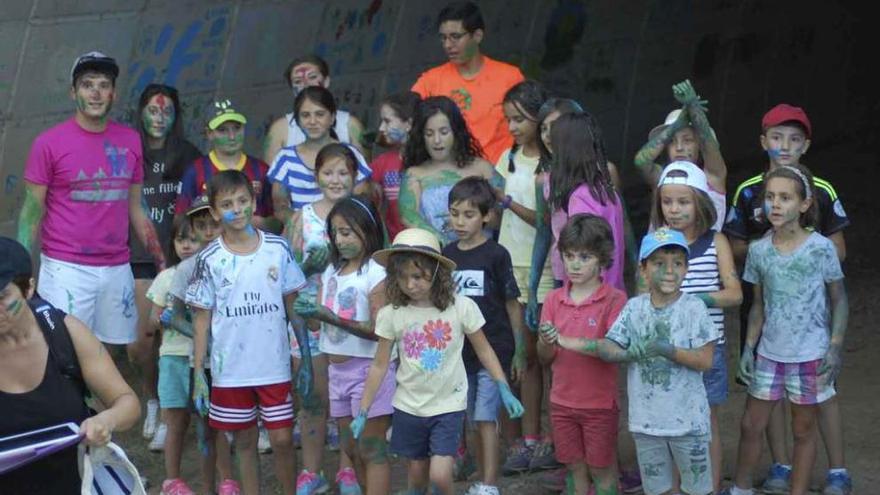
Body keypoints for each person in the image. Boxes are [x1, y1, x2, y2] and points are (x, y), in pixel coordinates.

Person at [722, 104, 851, 495]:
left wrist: (834, 346)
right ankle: (747, 484)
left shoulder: (820, 247)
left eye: (785, 198)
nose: (775, 205)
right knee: (751, 423)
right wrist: (747, 347)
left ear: (805, 203)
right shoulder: (759, 248)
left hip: (811, 349)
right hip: (770, 350)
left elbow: (839, 298)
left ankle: (821, 477)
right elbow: (757, 304)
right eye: (771, 198)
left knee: (803, 426)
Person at [350, 228, 524, 495]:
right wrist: (363, 410)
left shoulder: (461, 307)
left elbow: (485, 351)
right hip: (408, 407)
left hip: (448, 405)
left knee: (441, 476)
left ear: (437, 272)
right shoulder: (391, 314)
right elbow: (379, 365)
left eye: (418, 276)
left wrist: (503, 387)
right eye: (403, 277)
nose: (410, 285)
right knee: (417, 478)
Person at [551, 227, 718, 495]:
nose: (669, 271)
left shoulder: (694, 308)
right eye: (659, 263)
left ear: (687, 269)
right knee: (656, 489)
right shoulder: (634, 308)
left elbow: (705, 360)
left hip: (689, 422)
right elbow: (609, 347)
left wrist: (666, 349)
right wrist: (626, 352)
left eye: (677, 263)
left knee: (696, 490)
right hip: (646, 422)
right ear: (643, 270)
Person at [17, 51, 165, 347]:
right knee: (67, 351)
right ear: (74, 92)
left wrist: (162, 262)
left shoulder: (131, 140)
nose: (96, 93)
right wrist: (19, 273)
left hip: (116, 267)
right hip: (65, 268)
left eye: (103, 84)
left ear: (114, 93)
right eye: (87, 84)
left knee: (109, 354)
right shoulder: (48, 143)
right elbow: (31, 213)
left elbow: (137, 207)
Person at [186, 170, 312, 495]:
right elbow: (201, 320)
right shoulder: (209, 259)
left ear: (254, 202)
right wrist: (199, 372)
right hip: (231, 370)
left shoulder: (277, 248)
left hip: (274, 363)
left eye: (243, 201)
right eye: (227, 203)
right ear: (214, 211)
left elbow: (294, 308)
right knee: (244, 441)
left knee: (283, 439)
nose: (237, 209)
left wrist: (307, 360)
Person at [0, 237, 141, 494]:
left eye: (2, 295)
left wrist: (105, 421)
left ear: (29, 288)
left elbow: (127, 402)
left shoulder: (63, 334)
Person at [648, 161, 743, 493]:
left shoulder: (716, 242)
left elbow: (735, 294)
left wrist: (692, 301)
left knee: (705, 424)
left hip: (705, 349)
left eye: (683, 202)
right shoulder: (654, 242)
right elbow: (641, 293)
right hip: (666, 351)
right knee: (670, 425)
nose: (674, 209)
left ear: (700, 202)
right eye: (667, 202)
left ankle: (710, 487)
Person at [293, 196, 392, 495]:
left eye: (348, 232)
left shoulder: (376, 273)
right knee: (351, 447)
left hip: (369, 371)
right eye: (335, 233)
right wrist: (307, 310)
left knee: (372, 448)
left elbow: (379, 331)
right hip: (337, 372)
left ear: (368, 231)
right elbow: (317, 324)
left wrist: (329, 318)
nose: (340, 239)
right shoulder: (329, 273)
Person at [440, 177, 526, 495]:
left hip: (495, 347)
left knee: (486, 415)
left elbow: (511, 303)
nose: (460, 221)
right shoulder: (447, 255)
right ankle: (481, 470)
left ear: (487, 216)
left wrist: (517, 350)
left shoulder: (497, 254)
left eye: (469, 214)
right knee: (471, 416)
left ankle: (490, 483)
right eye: (454, 213)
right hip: (460, 351)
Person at [285, 143, 363, 493]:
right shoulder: (302, 218)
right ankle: (311, 472)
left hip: (348, 318)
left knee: (348, 400)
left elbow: (377, 264)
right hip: (308, 321)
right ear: (316, 176)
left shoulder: (364, 214)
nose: (336, 179)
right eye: (328, 172)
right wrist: (308, 267)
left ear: (354, 176)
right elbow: (285, 276)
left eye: (343, 172)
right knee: (313, 398)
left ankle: (348, 468)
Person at [130, 83, 202, 449]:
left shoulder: (188, 154)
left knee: (177, 338)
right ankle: (154, 400)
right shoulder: (129, 150)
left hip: (181, 258)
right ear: (141, 112)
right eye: (153, 110)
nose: (159, 118)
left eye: (167, 111)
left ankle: (178, 410)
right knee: (143, 341)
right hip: (137, 257)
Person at [493, 81, 559, 475]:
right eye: (508, 120)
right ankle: (528, 438)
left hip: (544, 271)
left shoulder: (552, 166)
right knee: (521, 358)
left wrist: (506, 202)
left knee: (545, 355)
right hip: (509, 267)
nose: (513, 126)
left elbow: (545, 223)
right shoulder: (509, 157)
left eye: (519, 119)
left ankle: (552, 436)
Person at [535, 214, 628, 495]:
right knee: (574, 468)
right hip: (561, 402)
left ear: (602, 259)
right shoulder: (553, 299)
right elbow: (544, 358)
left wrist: (563, 339)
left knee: (602, 469)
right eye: (569, 255)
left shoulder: (614, 299)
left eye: (585, 256)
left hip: (599, 405)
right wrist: (545, 341)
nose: (575, 264)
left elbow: (612, 350)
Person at [163, 195, 238, 495]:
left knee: (227, 426)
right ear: (192, 228)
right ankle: (207, 487)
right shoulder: (185, 269)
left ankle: (226, 482)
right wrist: (202, 336)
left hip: (232, 359)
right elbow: (172, 316)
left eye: (213, 223)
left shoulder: (238, 260)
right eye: (201, 224)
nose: (208, 230)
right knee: (204, 426)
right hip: (201, 362)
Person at [412, 1, 525, 163]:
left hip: (498, 178)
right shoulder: (430, 80)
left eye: (455, 37)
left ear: (477, 36)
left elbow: (531, 128)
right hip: (449, 178)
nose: (448, 45)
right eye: (443, 38)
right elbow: (404, 115)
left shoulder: (510, 77)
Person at [530, 112, 625, 295]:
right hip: (610, 289)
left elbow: (582, 254)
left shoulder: (579, 197)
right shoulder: (604, 189)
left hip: (590, 295)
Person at [146, 215, 203, 493]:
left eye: (193, 239)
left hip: (203, 358)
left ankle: (219, 480)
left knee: (208, 422)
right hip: (172, 357)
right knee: (175, 421)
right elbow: (151, 322)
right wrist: (164, 318)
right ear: (173, 244)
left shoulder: (211, 272)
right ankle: (172, 480)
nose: (188, 245)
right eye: (182, 240)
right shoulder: (165, 278)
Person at [398, 96, 500, 245]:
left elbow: (503, 216)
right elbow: (409, 216)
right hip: (436, 258)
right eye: (429, 134)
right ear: (421, 137)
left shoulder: (483, 169)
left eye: (444, 132)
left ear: (456, 133)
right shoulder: (414, 175)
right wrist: (445, 245)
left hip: (482, 257)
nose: (437, 140)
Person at [267, 86, 372, 222]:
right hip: (302, 235)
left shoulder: (351, 154)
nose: (312, 121)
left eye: (320, 114)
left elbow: (361, 202)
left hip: (344, 230)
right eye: (305, 115)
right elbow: (280, 207)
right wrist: (307, 227)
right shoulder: (285, 158)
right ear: (297, 119)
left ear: (332, 117)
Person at [634, 79, 727, 230]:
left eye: (688, 140)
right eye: (671, 141)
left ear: (699, 145)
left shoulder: (713, 176)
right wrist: (679, 122)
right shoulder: (661, 176)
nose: (679, 147)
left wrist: (692, 106)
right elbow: (640, 162)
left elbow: (710, 144)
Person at [174, 99, 276, 233]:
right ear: (209, 134)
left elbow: (278, 222)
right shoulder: (195, 171)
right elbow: (180, 220)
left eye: (237, 128)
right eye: (222, 130)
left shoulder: (261, 170)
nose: (232, 136)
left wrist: (255, 222)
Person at [263, 54, 368, 163]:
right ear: (292, 89)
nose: (306, 84)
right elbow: (270, 176)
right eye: (298, 81)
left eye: (312, 77)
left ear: (326, 81)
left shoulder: (350, 125)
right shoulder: (279, 129)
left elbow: (364, 174)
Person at [369, 91, 421, 240]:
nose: (381, 128)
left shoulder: (430, 164)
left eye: (387, 121)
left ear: (409, 124)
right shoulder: (383, 163)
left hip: (428, 245)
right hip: (395, 246)